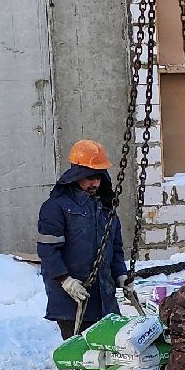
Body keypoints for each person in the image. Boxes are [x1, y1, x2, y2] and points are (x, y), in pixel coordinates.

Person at [37, 139, 126, 339]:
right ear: (77, 175)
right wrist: (66, 281)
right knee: (81, 358)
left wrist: (121, 274)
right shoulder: (56, 207)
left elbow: (116, 247)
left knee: (109, 356)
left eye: (98, 177)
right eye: (90, 178)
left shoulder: (105, 207)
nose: (95, 183)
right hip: (72, 300)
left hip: (104, 298)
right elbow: (48, 250)